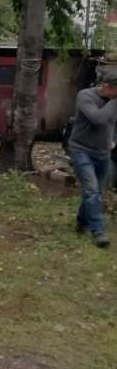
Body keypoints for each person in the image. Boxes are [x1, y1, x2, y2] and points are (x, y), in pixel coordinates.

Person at [68, 79, 117, 248]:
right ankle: (98, 232)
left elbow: (113, 122)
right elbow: (98, 119)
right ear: (106, 86)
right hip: (81, 150)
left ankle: (82, 221)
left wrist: (113, 140)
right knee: (91, 190)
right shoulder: (85, 96)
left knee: (95, 192)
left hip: (103, 152)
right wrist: (114, 101)